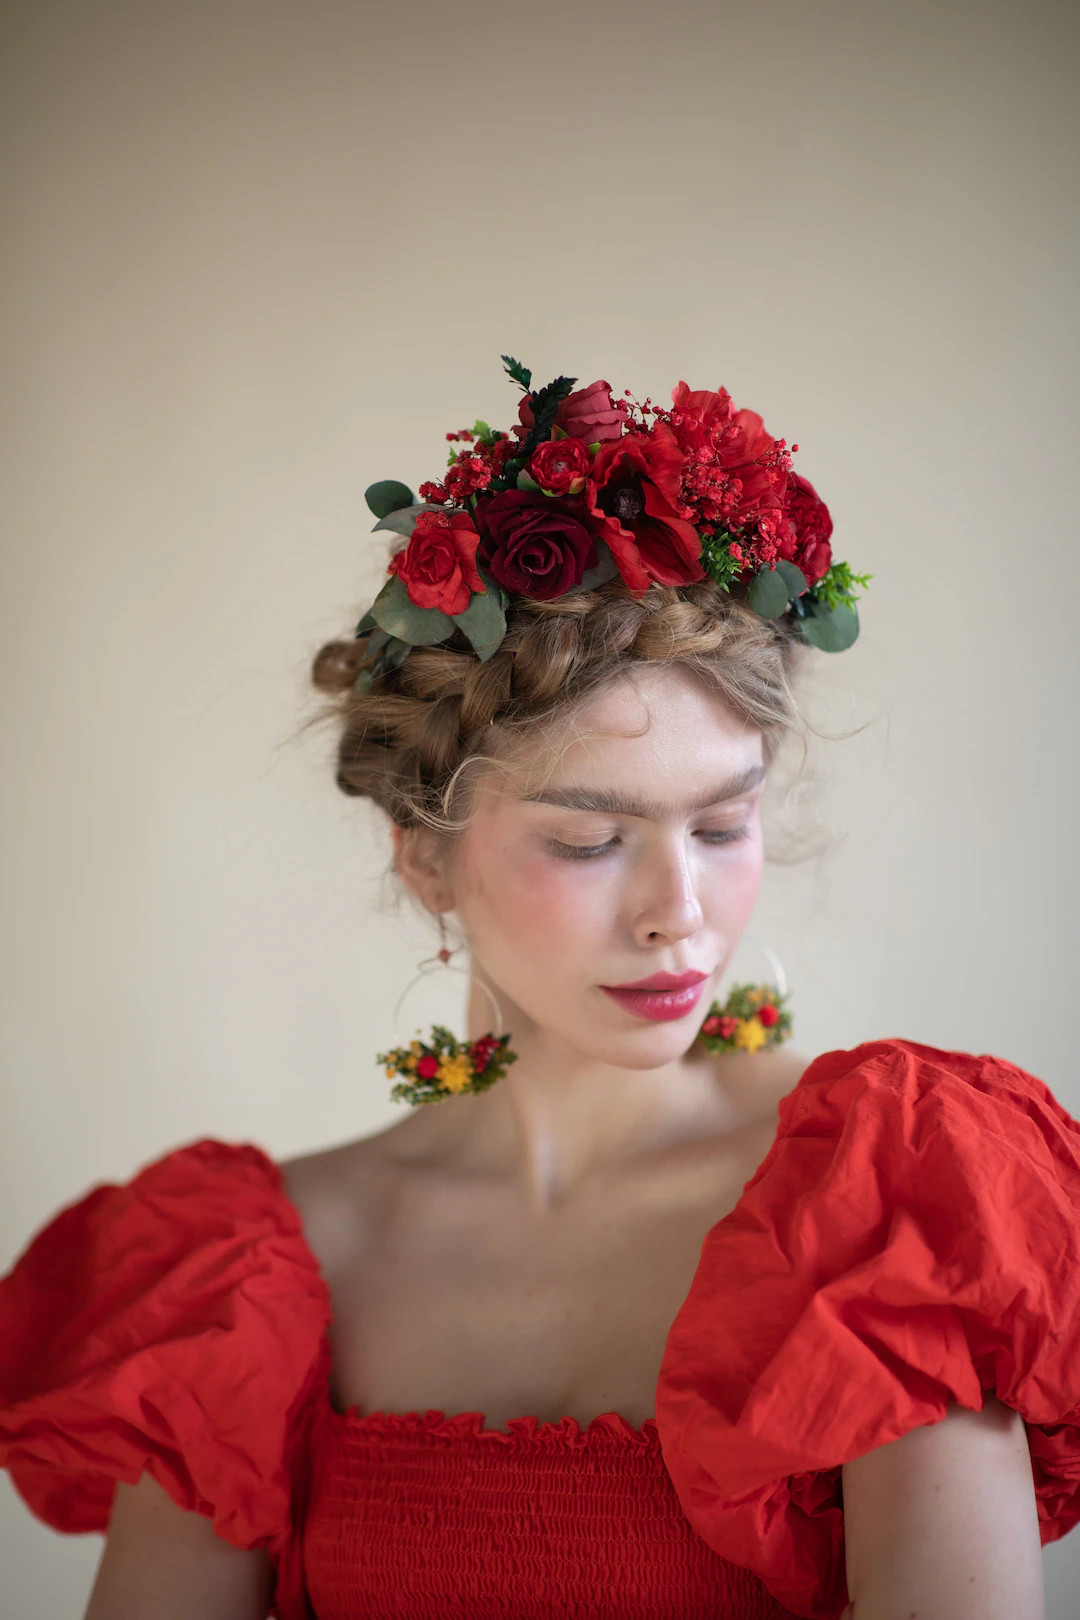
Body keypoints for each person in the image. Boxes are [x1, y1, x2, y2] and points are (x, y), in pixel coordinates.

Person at [2, 364, 1077, 1620]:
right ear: (423, 853)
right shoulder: (250, 1274)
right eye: (588, 840)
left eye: (723, 826)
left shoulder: (896, 1219)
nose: (678, 909)